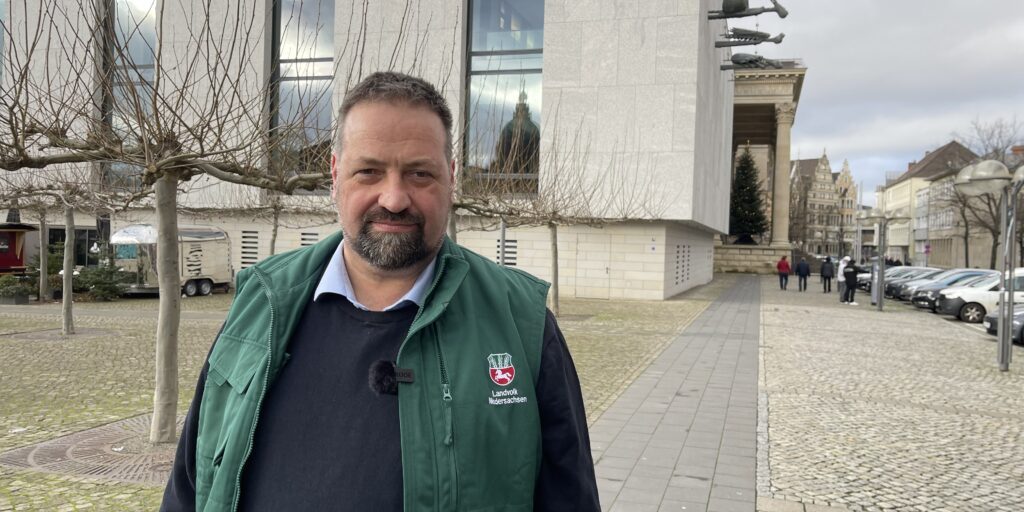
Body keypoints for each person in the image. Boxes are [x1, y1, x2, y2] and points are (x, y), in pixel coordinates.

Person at [161, 72, 599, 512]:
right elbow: (191, 483)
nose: (393, 198)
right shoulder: (261, 302)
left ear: (450, 178)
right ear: (336, 175)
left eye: (419, 174)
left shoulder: (521, 325)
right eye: (368, 171)